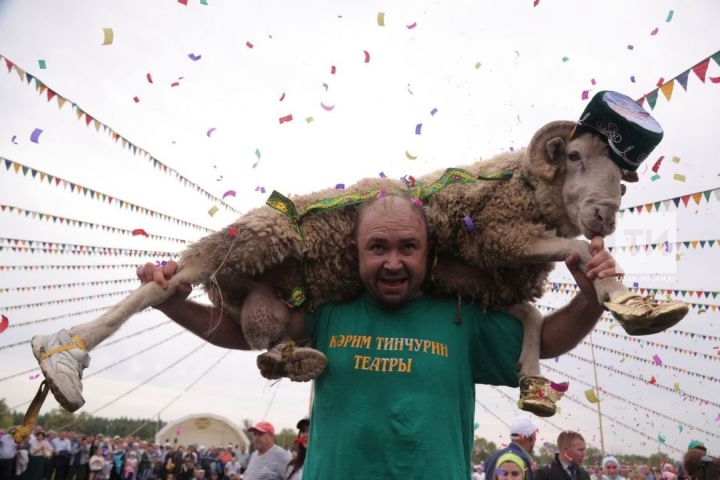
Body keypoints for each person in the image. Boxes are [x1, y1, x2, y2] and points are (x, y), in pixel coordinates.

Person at [136, 195, 619, 478]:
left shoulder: (461, 314)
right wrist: (171, 300)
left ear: (429, 253)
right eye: (378, 247)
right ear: (356, 251)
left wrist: (591, 297)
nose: (393, 261)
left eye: (408, 247)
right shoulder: (330, 310)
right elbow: (239, 334)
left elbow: (548, 340)